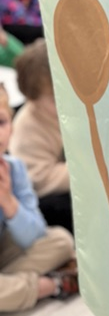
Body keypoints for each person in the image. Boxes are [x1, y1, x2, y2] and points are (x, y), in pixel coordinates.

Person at [0, 83, 77, 313]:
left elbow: (35, 236)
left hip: (5, 255)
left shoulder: (14, 169)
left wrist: (8, 201)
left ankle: (10, 287)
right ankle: (49, 285)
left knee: (61, 241)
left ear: (11, 127)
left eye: (1, 123)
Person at [10, 39, 73, 234]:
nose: (67, 100)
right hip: (45, 197)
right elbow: (40, 179)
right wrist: (87, 168)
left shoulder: (70, 111)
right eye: (55, 98)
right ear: (32, 98)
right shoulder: (27, 130)